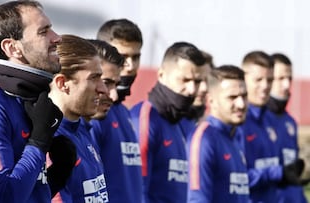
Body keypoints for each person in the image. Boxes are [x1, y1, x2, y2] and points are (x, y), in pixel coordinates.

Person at [0, 1, 75, 202]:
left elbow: (26, 192)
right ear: (12, 47)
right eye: (44, 32)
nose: (57, 38)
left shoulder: (28, 98)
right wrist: (39, 141)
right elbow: (3, 196)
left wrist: (57, 175)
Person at [130, 42, 206, 203]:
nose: (192, 89)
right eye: (185, 80)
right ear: (161, 75)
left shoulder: (184, 122)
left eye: (197, 81)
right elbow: (138, 189)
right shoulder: (145, 118)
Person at [236, 51, 305, 203]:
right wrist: (278, 173)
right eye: (258, 80)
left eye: (269, 80)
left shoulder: (274, 120)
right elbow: (235, 179)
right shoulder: (236, 123)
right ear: (244, 79)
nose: (265, 86)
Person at [49, 34, 109, 203]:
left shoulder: (81, 129)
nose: (103, 89)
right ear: (62, 83)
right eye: (93, 78)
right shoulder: (50, 142)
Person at [91, 19, 144, 203]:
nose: (129, 66)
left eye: (135, 57)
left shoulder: (123, 111)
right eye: (122, 57)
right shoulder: (95, 113)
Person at [188, 65, 250, 202]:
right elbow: (197, 199)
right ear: (211, 100)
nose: (241, 104)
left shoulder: (235, 135)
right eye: (232, 97)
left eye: (244, 96)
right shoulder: (204, 139)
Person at [267, 53, 308, 203]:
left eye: (289, 78)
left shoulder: (290, 122)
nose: (286, 85)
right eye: (280, 78)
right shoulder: (252, 120)